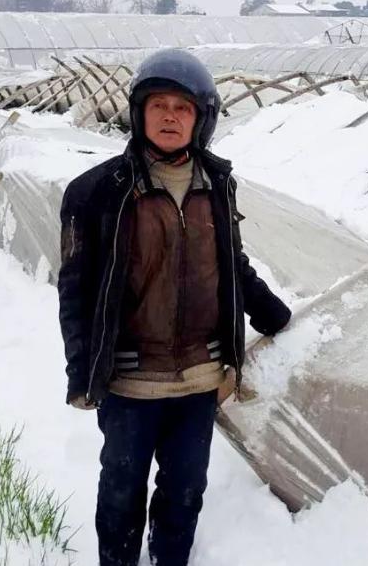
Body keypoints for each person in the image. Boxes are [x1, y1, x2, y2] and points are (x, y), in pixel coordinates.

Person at [57, 49, 291, 566]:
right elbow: (75, 290)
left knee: (184, 493)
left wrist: (274, 315)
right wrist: (81, 373)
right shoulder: (97, 192)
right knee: (121, 492)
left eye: (182, 108)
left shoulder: (217, 185)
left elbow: (230, 264)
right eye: (158, 105)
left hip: (200, 381)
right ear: (139, 113)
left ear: (200, 118)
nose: (169, 116)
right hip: (129, 381)